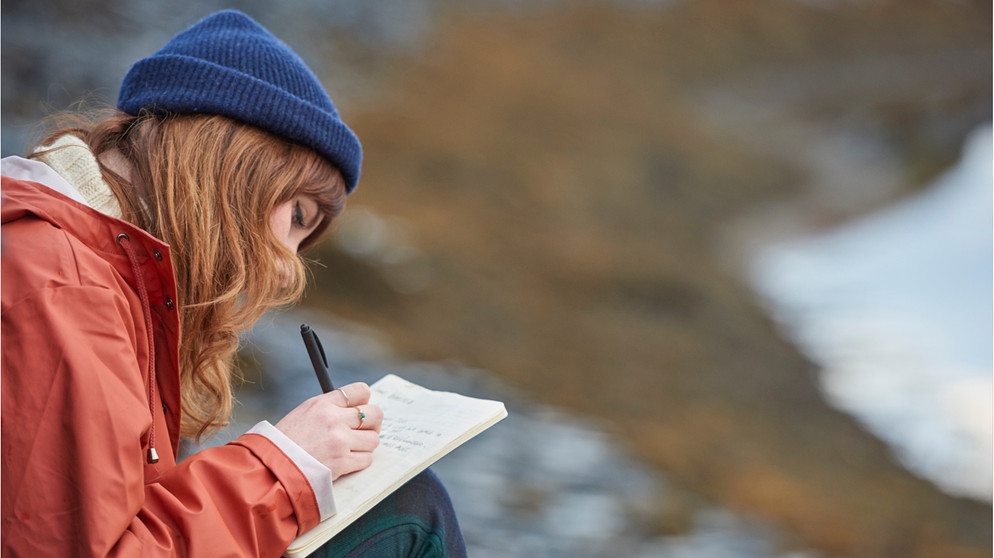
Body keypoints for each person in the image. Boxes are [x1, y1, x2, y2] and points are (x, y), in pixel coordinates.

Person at [1, 10, 466, 557]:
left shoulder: (97, 265)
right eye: (297, 216)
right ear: (235, 165)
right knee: (413, 514)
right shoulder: (59, 280)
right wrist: (285, 464)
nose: (288, 268)